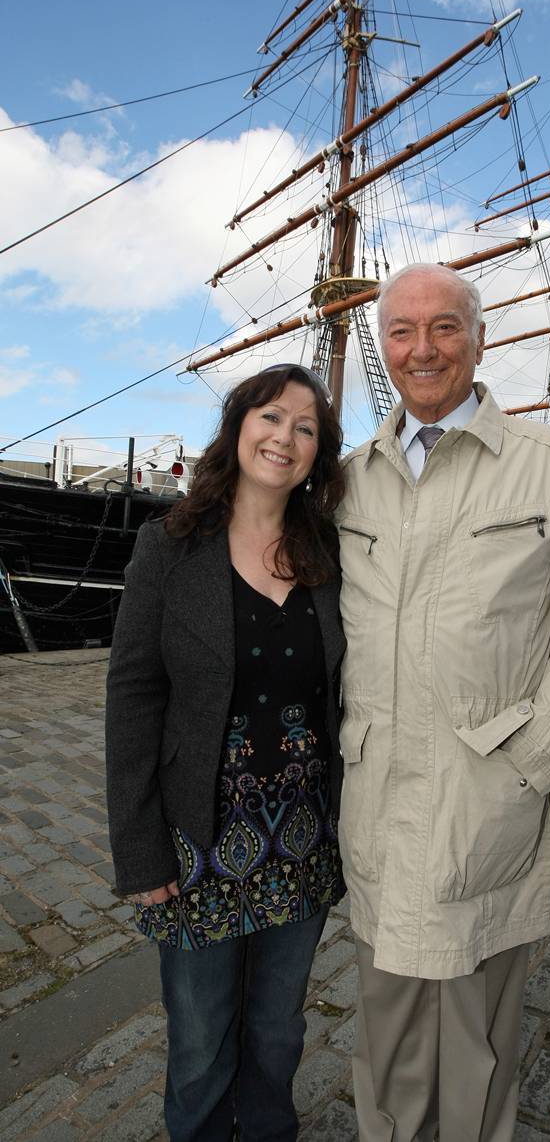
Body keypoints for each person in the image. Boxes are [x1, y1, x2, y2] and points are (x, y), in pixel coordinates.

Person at [335, 264, 550, 1142]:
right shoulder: (349, 481)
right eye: (401, 331)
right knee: (386, 1017)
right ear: (381, 347)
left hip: (485, 795)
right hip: (379, 792)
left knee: (478, 1024)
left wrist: (535, 762)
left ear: (479, 337)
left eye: (444, 328)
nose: (422, 350)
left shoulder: (548, 466)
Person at [105, 364, 346, 1142]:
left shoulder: (330, 554)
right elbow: (134, 697)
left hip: (303, 841)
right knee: (203, 1041)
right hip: (199, 842)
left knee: (278, 1034)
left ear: (319, 452)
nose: (285, 438)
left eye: (305, 428)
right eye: (272, 417)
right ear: (240, 423)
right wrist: (140, 855)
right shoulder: (170, 546)